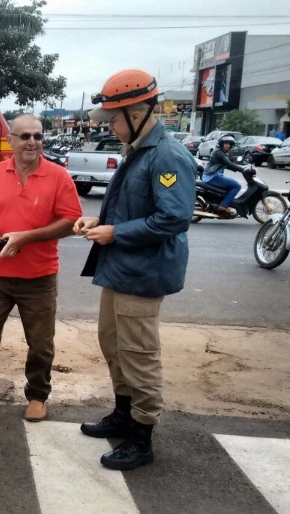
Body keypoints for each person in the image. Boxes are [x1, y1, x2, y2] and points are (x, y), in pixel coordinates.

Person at [73, 69, 195, 471]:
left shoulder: (166, 155)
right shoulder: (136, 151)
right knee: (113, 344)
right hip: (120, 268)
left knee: (139, 354)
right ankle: (123, 413)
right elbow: (132, 206)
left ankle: (142, 436)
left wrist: (116, 233)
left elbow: (173, 218)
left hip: (142, 273)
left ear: (137, 114)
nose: (109, 126)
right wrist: (98, 221)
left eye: (113, 119)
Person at [0, 115, 83, 422]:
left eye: (38, 136)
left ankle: (37, 396)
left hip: (39, 277)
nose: (32, 142)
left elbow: (71, 222)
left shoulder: (58, 176)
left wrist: (26, 237)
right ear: (10, 140)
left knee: (40, 344)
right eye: (25, 136)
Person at [202, 135, 250, 218]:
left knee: (232, 184)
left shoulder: (222, 152)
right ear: (222, 144)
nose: (228, 145)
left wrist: (242, 168)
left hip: (213, 175)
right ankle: (223, 205)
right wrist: (243, 170)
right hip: (211, 176)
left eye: (229, 144)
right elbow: (229, 163)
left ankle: (224, 203)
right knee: (237, 186)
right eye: (226, 143)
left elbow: (227, 165)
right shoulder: (219, 152)